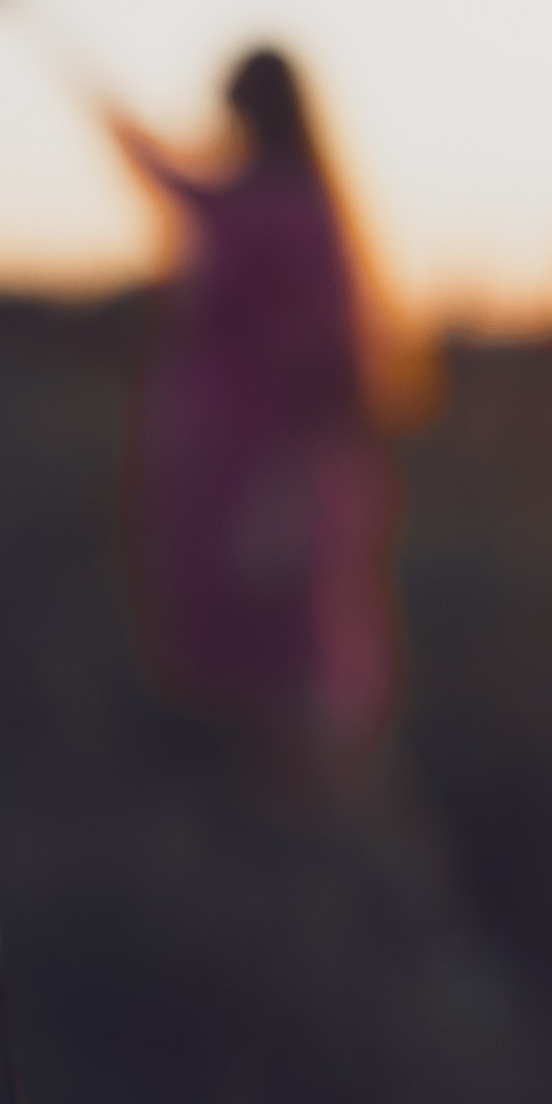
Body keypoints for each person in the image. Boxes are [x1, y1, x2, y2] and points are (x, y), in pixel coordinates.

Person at [102, 44, 420, 786]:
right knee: (240, 637)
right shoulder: (259, 195)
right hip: (221, 456)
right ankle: (275, 811)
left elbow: (328, 362)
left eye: (234, 106)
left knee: (289, 636)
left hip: (267, 462)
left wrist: (290, 482)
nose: (225, 121)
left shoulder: (287, 207)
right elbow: (168, 176)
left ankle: (330, 815)